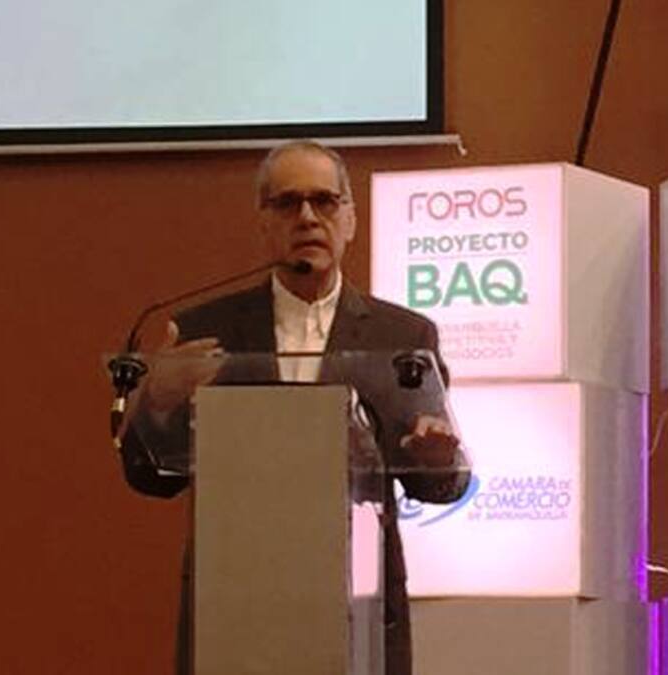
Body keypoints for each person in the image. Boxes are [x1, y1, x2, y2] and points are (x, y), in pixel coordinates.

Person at [118, 140, 470, 675]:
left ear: (350, 219)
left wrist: (437, 458)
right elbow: (149, 478)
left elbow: (439, 485)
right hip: (234, 607)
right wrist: (158, 403)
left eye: (324, 201)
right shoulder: (205, 330)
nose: (307, 217)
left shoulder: (402, 336)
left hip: (356, 605)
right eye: (287, 203)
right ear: (264, 222)